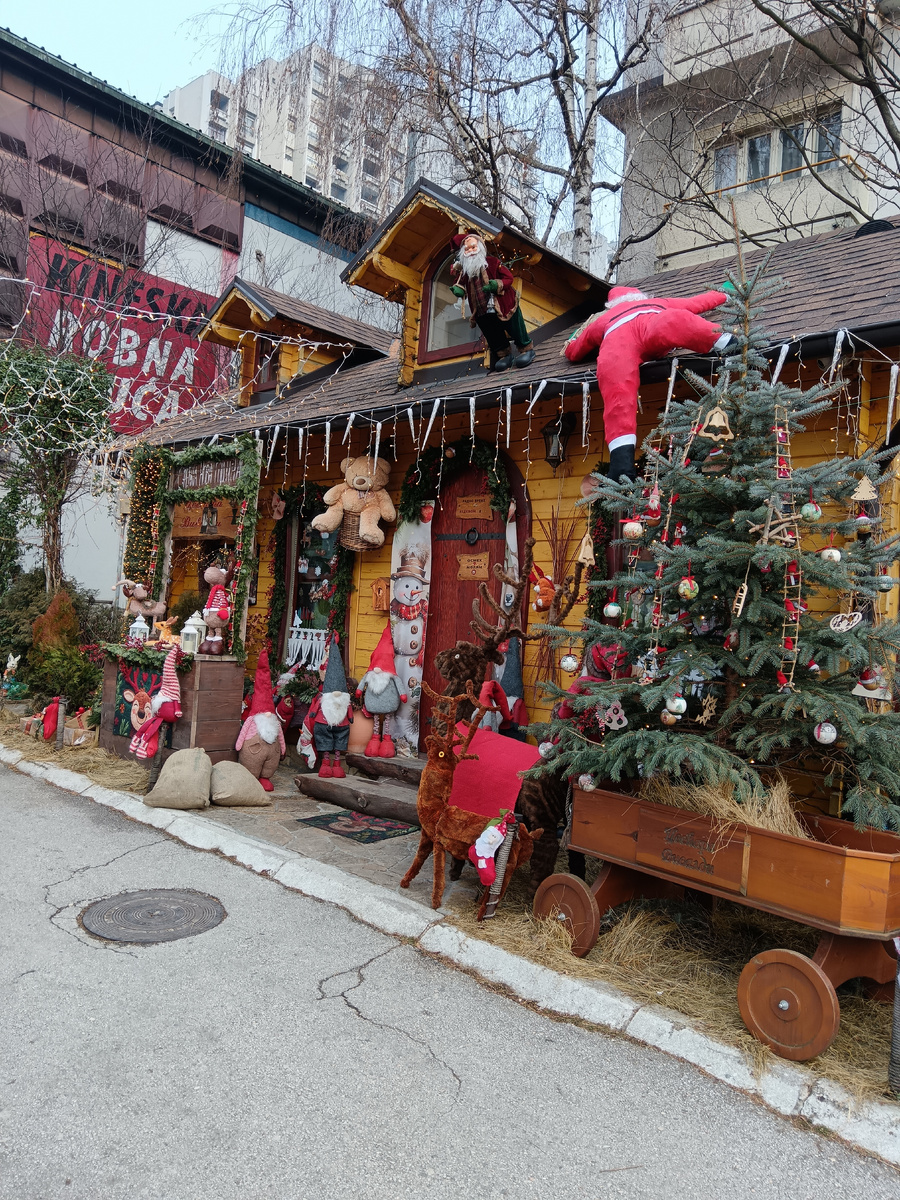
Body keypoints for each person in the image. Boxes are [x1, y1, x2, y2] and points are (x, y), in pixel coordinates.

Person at [449, 230, 535, 371]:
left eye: (473, 247)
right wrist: (459, 290)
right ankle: (505, 355)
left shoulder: (493, 262)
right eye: (467, 249)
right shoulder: (465, 271)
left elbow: (509, 278)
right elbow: (460, 284)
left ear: (480, 247)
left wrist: (496, 284)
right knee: (491, 331)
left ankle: (526, 349)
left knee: (513, 325)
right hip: (481, 308)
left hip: (503, 304)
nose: (470, 251)